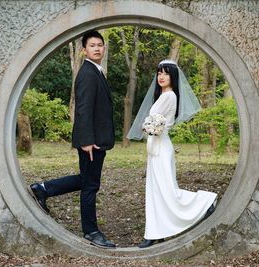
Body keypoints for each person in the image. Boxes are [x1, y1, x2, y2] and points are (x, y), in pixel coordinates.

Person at [29, 30, 116, 248]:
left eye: (100, 45)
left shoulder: (96, 71)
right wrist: (86, 140)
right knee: (90, 186)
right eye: (92, 45)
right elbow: (83, 109)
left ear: (104, 48)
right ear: (84, 50)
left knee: (87, 180)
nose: (97, 48)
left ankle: (42, 189)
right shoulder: (87, 73)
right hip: (91, 142)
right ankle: (91, 231)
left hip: (96, 140)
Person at [127, 59, 217, 248]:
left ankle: (204, 202)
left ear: (173, 76)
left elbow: (156, 123)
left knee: (167, 191)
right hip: (157, 147)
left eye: (166, 73)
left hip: (161, 147)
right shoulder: (164, 95)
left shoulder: (169, 96)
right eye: (159, 73)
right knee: (156, 191)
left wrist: (148, 127)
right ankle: (155, 232)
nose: (161, 76)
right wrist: (149, 127)